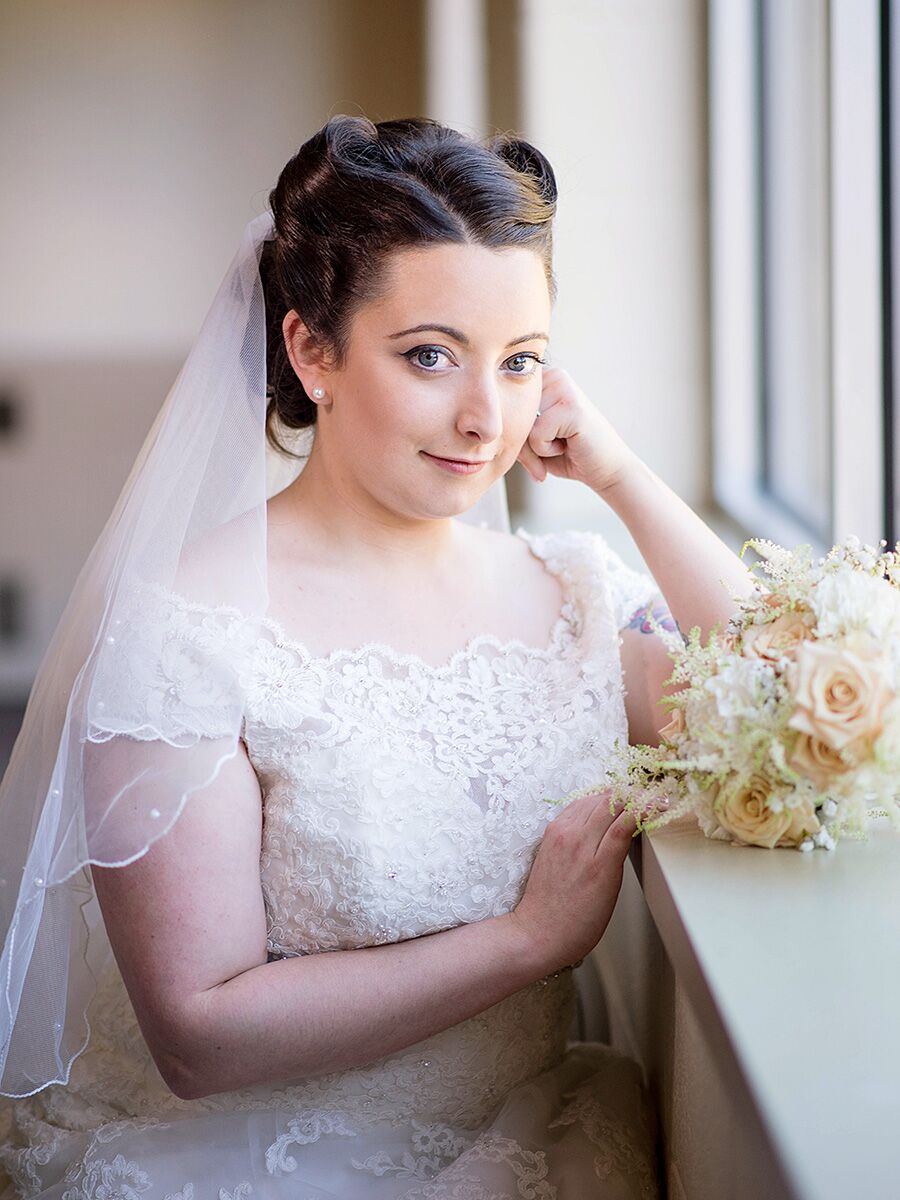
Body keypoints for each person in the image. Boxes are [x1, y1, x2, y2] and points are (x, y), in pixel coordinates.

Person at [0, 115, 754, 1198]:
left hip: (528, 1136)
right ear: (313, 352)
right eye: (431, 355)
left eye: (522, 361)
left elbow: (785, 710)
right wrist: (527, 941)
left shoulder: (576, 596)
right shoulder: (187, 630)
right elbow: (198, 1036)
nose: (485, 416)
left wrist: (626, 476)